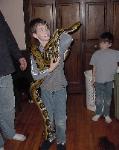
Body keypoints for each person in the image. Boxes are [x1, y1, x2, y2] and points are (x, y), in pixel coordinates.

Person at [29, 18, 73, 150]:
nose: (46, 31)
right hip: (45, 91)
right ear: (35, 35)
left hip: (60, 89)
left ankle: (61, 141)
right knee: (48, 118)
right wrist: (50, 69)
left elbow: (69, 38)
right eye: (41, 29)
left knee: (60, 119)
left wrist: (58, 32)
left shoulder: (58, 47)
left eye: (47, 28)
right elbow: (35, 75)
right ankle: (50, 137)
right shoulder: (35, 54)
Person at [0, 11, 27, 150]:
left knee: (8, 107)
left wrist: (19, 56)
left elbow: (8, 38)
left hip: (4, 69)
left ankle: (9, 133)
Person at [90, 32, 119, 123]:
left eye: (105, 42)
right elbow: (94, 67)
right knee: (98, 99)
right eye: (101, 42)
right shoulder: (96, 54)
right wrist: (93, 78)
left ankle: (106, 114)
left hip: (109, 81)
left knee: (108, 99)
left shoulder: (115, 53)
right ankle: (98, 113)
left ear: (110, 44)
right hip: (98, 81)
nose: (102, 44)